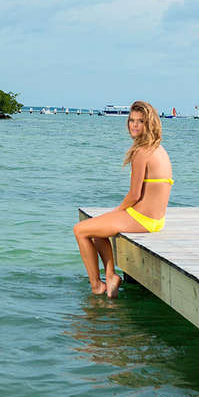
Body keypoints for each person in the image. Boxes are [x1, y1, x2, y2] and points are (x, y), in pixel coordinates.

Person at [73, 100, 173, 297]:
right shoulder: (158, 149)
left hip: (142, 218)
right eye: (132, 120)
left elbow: (135, 194)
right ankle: (111, 276)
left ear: (149, 124)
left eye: (141, 121)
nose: (134, 125)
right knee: (97, 229)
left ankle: (97, 286)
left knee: (80, 230)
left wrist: (117, 211)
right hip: (155, 219)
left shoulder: (141, 152)